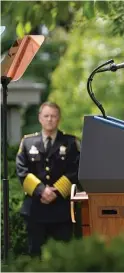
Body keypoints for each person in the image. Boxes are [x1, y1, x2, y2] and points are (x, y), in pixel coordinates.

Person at [16, 102, 80, 256]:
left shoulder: (71, 143)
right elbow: (21, 170)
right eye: (46, 116)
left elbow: (75, 169)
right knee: (35, 256)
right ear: (40, 118)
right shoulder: (27, 142)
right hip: (35, 210)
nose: (50, 119)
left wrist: (56, 191)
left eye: (53, 116)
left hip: (61, 210)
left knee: (63, 257)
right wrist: (41, 190)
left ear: (59, 119)